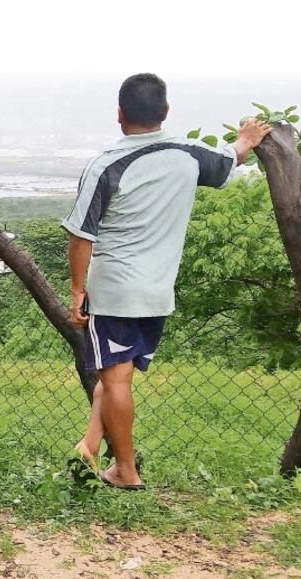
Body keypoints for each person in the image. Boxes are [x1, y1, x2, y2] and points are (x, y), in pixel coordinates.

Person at [62, 74, 271, 489]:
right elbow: (230, 160)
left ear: (119, 114)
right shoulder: (190, 154)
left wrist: (76, 291)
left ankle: (125, 470)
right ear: (166, 112)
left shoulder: (106, 164)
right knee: (114, 374)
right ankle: (88, 447)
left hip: (117, 290)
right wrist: (247, 138)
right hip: (158, 292)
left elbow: (80, 234)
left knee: (115, 378)